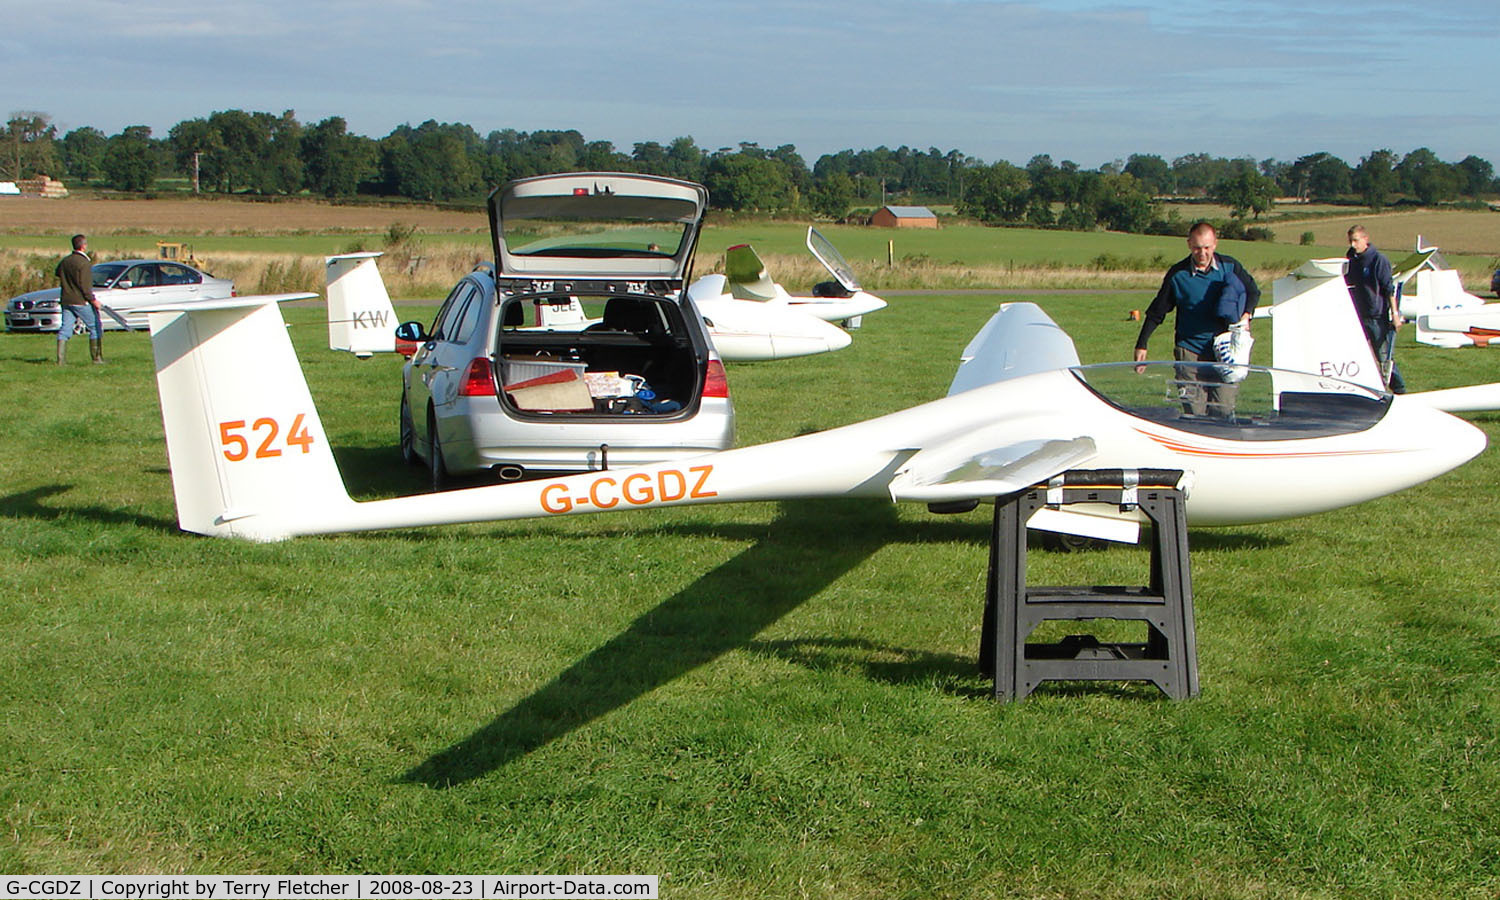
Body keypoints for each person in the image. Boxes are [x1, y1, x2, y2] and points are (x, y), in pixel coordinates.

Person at [1134, 222, 1260, 417]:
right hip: (1190, 351)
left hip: (1225, 351)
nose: (1202, 253)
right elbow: (1157, 311)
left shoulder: (1230, 266)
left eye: (1207, 248)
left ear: (1215, 244)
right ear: (1189, 245)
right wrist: (1142, 344)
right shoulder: (1178, 275)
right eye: (1197, 248)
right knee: (1193, 412)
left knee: (1223, 410)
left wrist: (1246, 315)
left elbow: (1253, 291)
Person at [1344, 225, 1404, 393]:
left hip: (1376, 316)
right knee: (1358, 353)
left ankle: (1400, 391)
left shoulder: (1379, 260)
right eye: (1351, 241)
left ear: (1365, 239)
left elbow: (1388, 289)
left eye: (1356, 240)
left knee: (1384, 357)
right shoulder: (1352, 261)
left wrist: (1395, 314)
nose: (1353, 245)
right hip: (1358, 314)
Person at [55, 233, 104, 365]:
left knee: (65, 328)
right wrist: (93, 300)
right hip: (81, 301)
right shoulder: (84, 263)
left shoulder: (65, 261)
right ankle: (96, 358)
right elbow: (85, 286)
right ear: (83, 246)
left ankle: (60, 360)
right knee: (95, 327)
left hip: (66, 300)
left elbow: (57, 273)